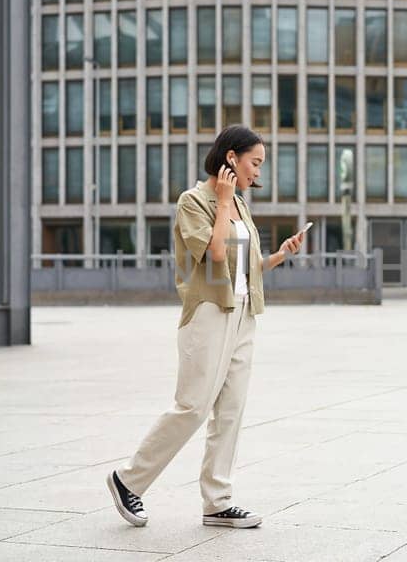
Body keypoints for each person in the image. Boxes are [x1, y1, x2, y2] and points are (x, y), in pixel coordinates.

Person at [106, 125, 306, 530]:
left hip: (244, 313)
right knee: (193, 406)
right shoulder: (195, 201)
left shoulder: (241, 205)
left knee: (230, 412)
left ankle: (218, 501)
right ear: (231, 158)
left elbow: (242, 265)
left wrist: (278, 256)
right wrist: (223, 200)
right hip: (208, 314)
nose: (258, 172)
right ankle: (127, 480)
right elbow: (215, 254)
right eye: (255, 162)